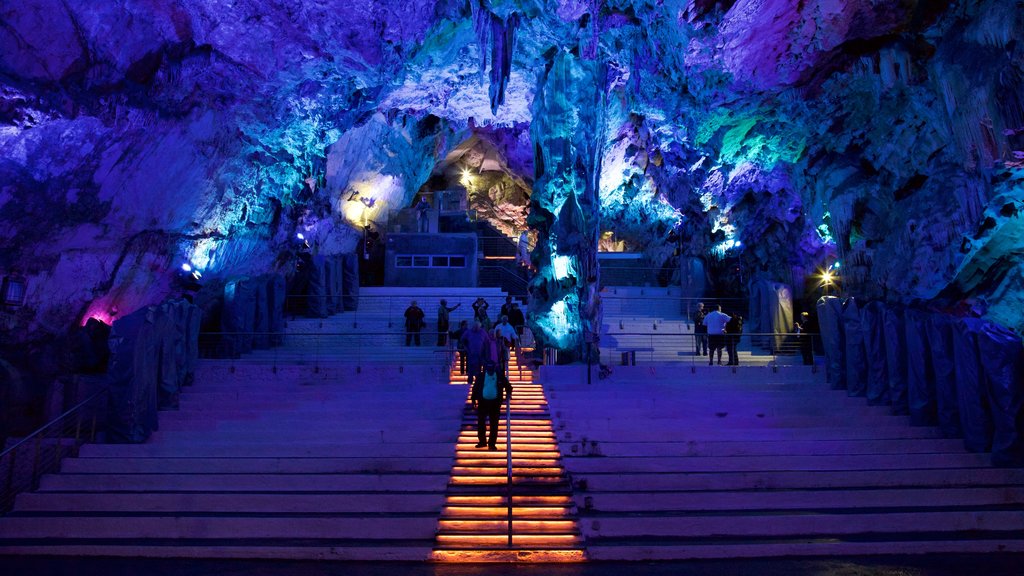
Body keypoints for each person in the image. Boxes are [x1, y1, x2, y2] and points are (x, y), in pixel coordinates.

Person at [472, 360, 512, 450]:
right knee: (481, 423)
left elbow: (508, 386)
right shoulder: (481, 376)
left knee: (494, 424)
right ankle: (482, 441)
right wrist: (473, 398)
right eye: (488, 369)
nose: (490, 371)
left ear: (494, 369)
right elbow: (476, 387)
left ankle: (492, 444)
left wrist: (508, 394)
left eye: (491, 369)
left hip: (495, 403)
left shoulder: (499, 376)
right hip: (483, 402)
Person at [460, 320, 490, 389]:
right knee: (471, 370)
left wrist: (486, 351)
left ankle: (478, 384)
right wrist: (466, 347)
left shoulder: (483, 332)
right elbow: (462, 339)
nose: (476, 329)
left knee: (479, 370)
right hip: (471, 354)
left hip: (481, 355)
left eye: (477, 328)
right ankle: (469, 384)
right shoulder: (468, 332)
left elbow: (487, 341)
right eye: (475, 328)